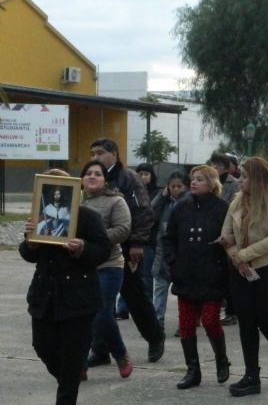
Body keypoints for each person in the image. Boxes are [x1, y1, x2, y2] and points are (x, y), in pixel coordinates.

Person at [21, 168, 111, 405]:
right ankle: (68, 380)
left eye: (63, 190)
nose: (58, 195)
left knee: (72, 357)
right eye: (53, 191)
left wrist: (82, 248)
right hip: (45, 295)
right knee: (42, 346)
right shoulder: (40, 215)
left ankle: (67, 392)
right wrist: (30, 242)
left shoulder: (87, 217)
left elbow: (103, 250)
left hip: (78, 298)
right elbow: (28, 254)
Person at [221, 156, 268, 396]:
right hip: (240, 270)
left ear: (258, 178)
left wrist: (244, 254)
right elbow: (226, 234)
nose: (239, 181)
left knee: (267, 320)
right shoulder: (237, 201)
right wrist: (235, 256)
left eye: (244, 176)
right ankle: (252, 375)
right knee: (247, 323)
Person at [88, 138, 163, 365]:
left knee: (135, 296)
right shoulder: (92, 177)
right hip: (97, 250)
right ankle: (101, 350)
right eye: (92, 154)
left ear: (114, 154)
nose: (95, 158)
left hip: (126, 247)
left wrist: (138, 243)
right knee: (99, 301)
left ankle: (154, 337)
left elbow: (143, 211)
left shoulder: (128, 177)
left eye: (100, 153)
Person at [163, 165, 231, 389]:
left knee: (211, 319)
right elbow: (169, 237)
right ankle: (193, 370)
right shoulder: (181, 207)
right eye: (193, 179)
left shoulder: (223, 208)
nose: (193, 182)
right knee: (186, 324)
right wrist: (173, 261)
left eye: (200, 179)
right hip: (186, 275)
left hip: (212, 275)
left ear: (211, 183)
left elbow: (231, 239)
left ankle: (221, 359)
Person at [80, 161, 134, 379]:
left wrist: (92, 242)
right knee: (80, 317)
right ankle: (79, 365)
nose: (92, 176)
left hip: (108, 266)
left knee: (101, 313)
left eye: (98, 174)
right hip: (79, 266)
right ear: (82, 178)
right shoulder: (72, 200)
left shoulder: (115, 201)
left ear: (105, 179)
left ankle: (120, 354)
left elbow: (123, 230)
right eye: (88, 173)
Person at [151, 170, 190, 335]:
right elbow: (150, 212)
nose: (175, 190)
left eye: (179, 186)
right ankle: (157, 322)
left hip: (182, 255)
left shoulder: (189, 203)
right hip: (162, 253)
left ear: (186, 187)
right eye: (172, 186)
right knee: (160, 289)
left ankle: (185, 323)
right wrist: (162, 196)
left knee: (183, 292)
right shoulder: (164, 203)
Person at [210, 152, 241, 326]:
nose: (216, 167)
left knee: (230, 274)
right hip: (211, 231)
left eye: (219, 165)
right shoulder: (208, 181)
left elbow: (234, 208)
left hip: (228, 233)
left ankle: (232, 312)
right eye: (213, 164)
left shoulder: (234, 184)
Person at [136, 163, 160, 305]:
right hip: (132, 238)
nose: (143, 177)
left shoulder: (157, 193)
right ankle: (123, 307)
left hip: (149, 239)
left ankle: (147, 303)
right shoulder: (131, 191)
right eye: (140, 174)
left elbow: (153, 214)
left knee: (146, 274)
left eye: (146, 174)